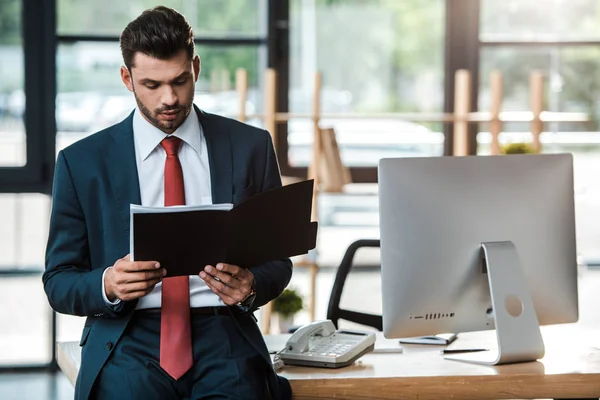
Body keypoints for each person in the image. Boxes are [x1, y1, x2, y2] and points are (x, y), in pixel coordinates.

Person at [43, 6, 292, 400]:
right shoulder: (81, 162)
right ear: (127, 78)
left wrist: (250, 286)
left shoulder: (251, 147)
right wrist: (108, 283)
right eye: (151, 85)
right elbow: (58, 282)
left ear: (195, 66)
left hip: (223, 334)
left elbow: (279, 262)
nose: (170, 98)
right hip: (128, 337)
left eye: (180, 80)